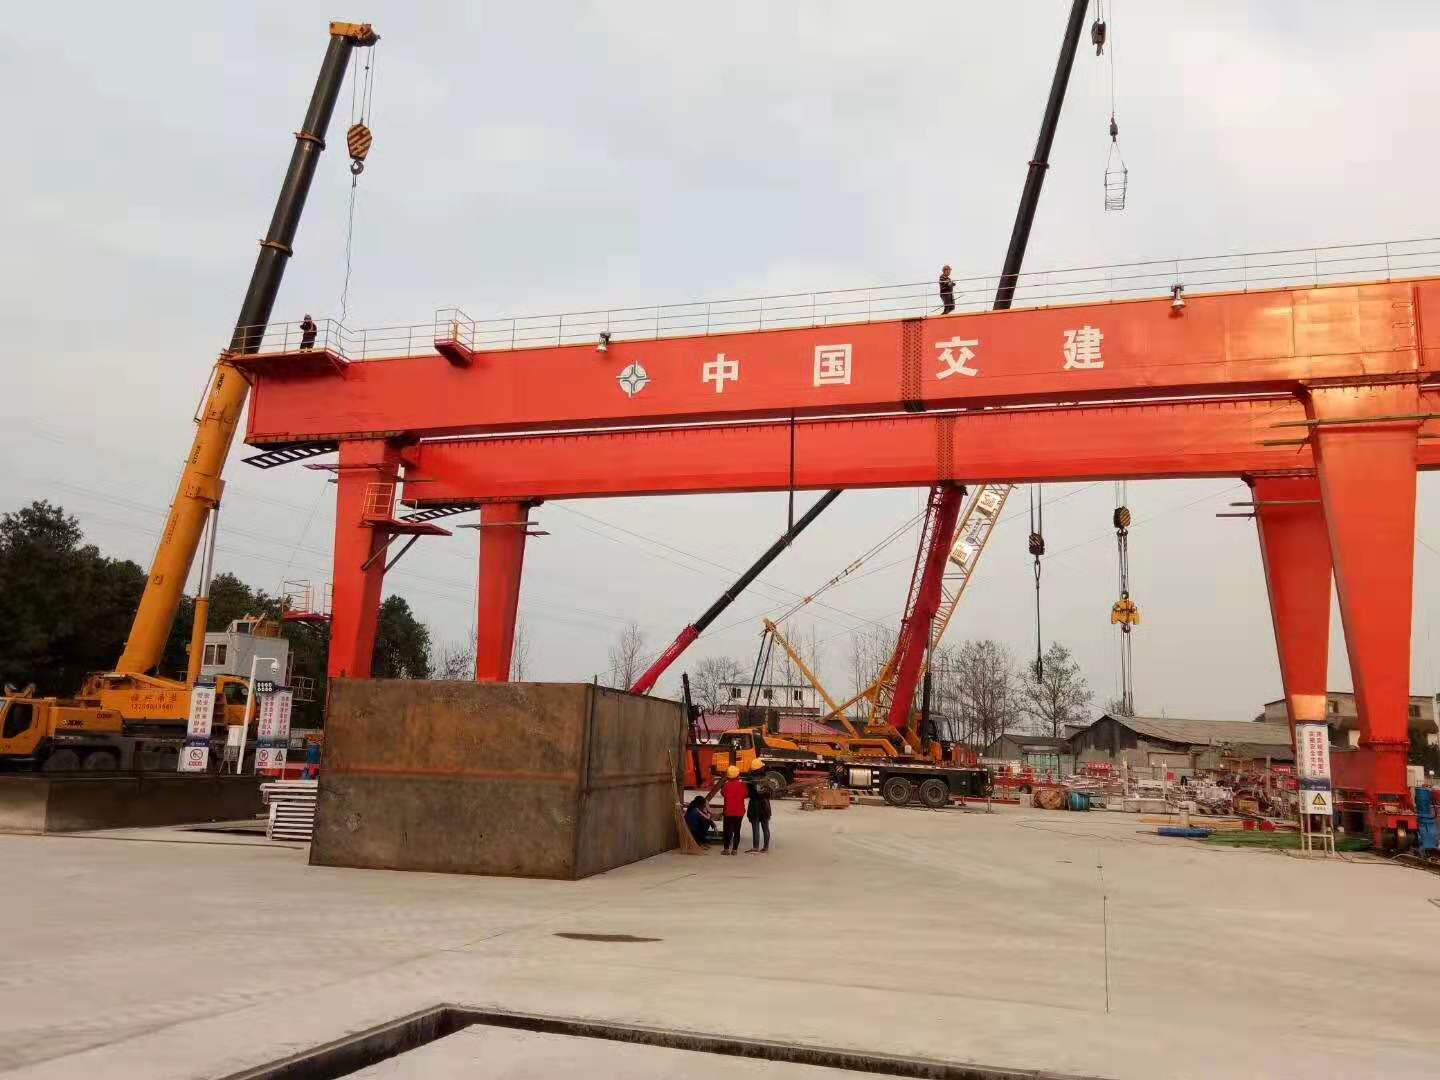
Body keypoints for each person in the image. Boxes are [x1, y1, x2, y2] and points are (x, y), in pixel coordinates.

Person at [720, 765, 747, 855]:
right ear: (737, 775)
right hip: (739, 812)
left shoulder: (726, 785)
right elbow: (745, 794)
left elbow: (723, 793)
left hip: (728, 812)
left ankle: (726, 849)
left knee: (727, 831)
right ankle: (734, 850)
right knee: (737, 831)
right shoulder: (742, 785)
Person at [746, 761, 772, 853]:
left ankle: (755, 847)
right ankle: (765, 847)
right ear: (760, 768)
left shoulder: (749, 780)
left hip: (754, 805)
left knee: (755, 826)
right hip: (765, 804)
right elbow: (770, 793)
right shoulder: (766, 779)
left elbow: (748, 793)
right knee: (765, 827)